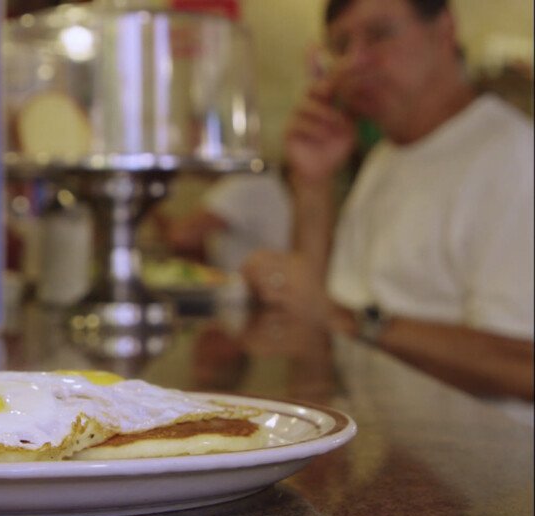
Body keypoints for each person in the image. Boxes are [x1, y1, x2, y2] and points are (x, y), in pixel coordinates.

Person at [241, 0, 535, 403]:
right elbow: (320, 308)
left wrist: (354, 323)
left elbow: (523, 368)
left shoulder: (512, 156)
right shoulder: (388, 154)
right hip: (385, 444)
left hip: (480, 459)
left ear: (445, 30)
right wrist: (313, 182)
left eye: (379, 35)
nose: (353, 62)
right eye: (340, 46)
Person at [160, 171, 292, 272]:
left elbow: (180, 237)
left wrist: (151, 207)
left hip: (252, 296)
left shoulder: (244, 181)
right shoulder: (265, 180)